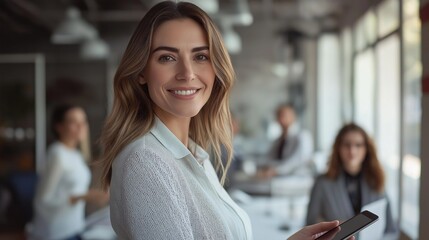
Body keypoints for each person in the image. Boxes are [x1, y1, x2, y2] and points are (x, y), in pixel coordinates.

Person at [99, 1, 345, 240]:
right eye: (167, 57)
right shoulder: (147, 161)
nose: (187, 73)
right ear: (141, 71)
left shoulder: (194, 154)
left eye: (201, 57)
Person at [27, 104, 109, 240]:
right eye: (73, 122)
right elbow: (43, 200)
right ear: (59, 127)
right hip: (56, 232)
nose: (81, 126)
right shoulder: (57, 154)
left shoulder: (76, 155)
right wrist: (83, 197)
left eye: (83, 121)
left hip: (75, 227)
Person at [306, 123, 398, 238]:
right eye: (347, 144)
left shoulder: (377, 181)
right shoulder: (322, 183)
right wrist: (330, 228)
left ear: (366, 149)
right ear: (338, 148)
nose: (352, 151)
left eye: (358, 145)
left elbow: (391, 230)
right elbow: (309, 224)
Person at [258, 104, 314, 179]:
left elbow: (297, 160)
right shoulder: (278, 140)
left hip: (298, 180)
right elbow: (269, 158)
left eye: (283, 115)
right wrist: (265, 167)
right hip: (279, 180)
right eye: (278, 115)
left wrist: (276, 170)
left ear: (293, 116)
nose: (280, 119)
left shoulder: (303, 136)